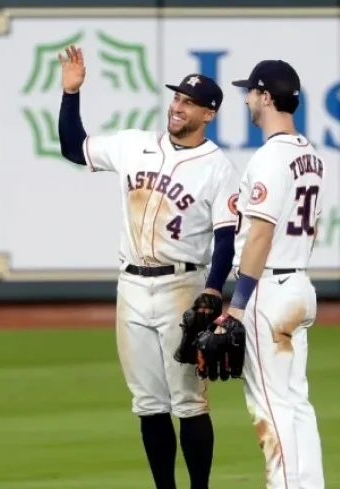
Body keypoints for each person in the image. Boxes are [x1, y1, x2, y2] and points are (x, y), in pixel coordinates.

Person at [56, 45, 242, 489]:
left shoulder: (218, 167)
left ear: (209, 114)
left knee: (189, 401)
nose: (178, 107)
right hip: (131, 285)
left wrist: (213, 290)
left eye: (189, 103)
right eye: (177, 98)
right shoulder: (133, 144)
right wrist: (70, 94)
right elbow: (72, 147)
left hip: (183, 283)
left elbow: (226, 237)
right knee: (148, 402)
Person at [194, 59, 327, 489]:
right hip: (299, 283)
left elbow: (258, 237)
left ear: (266, 96)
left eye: (251, 92)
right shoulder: (310, 153)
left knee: (271, 409)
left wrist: (236, 308)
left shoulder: (271, 157)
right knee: (296, 403)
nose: (247, 99)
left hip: (268, 291)